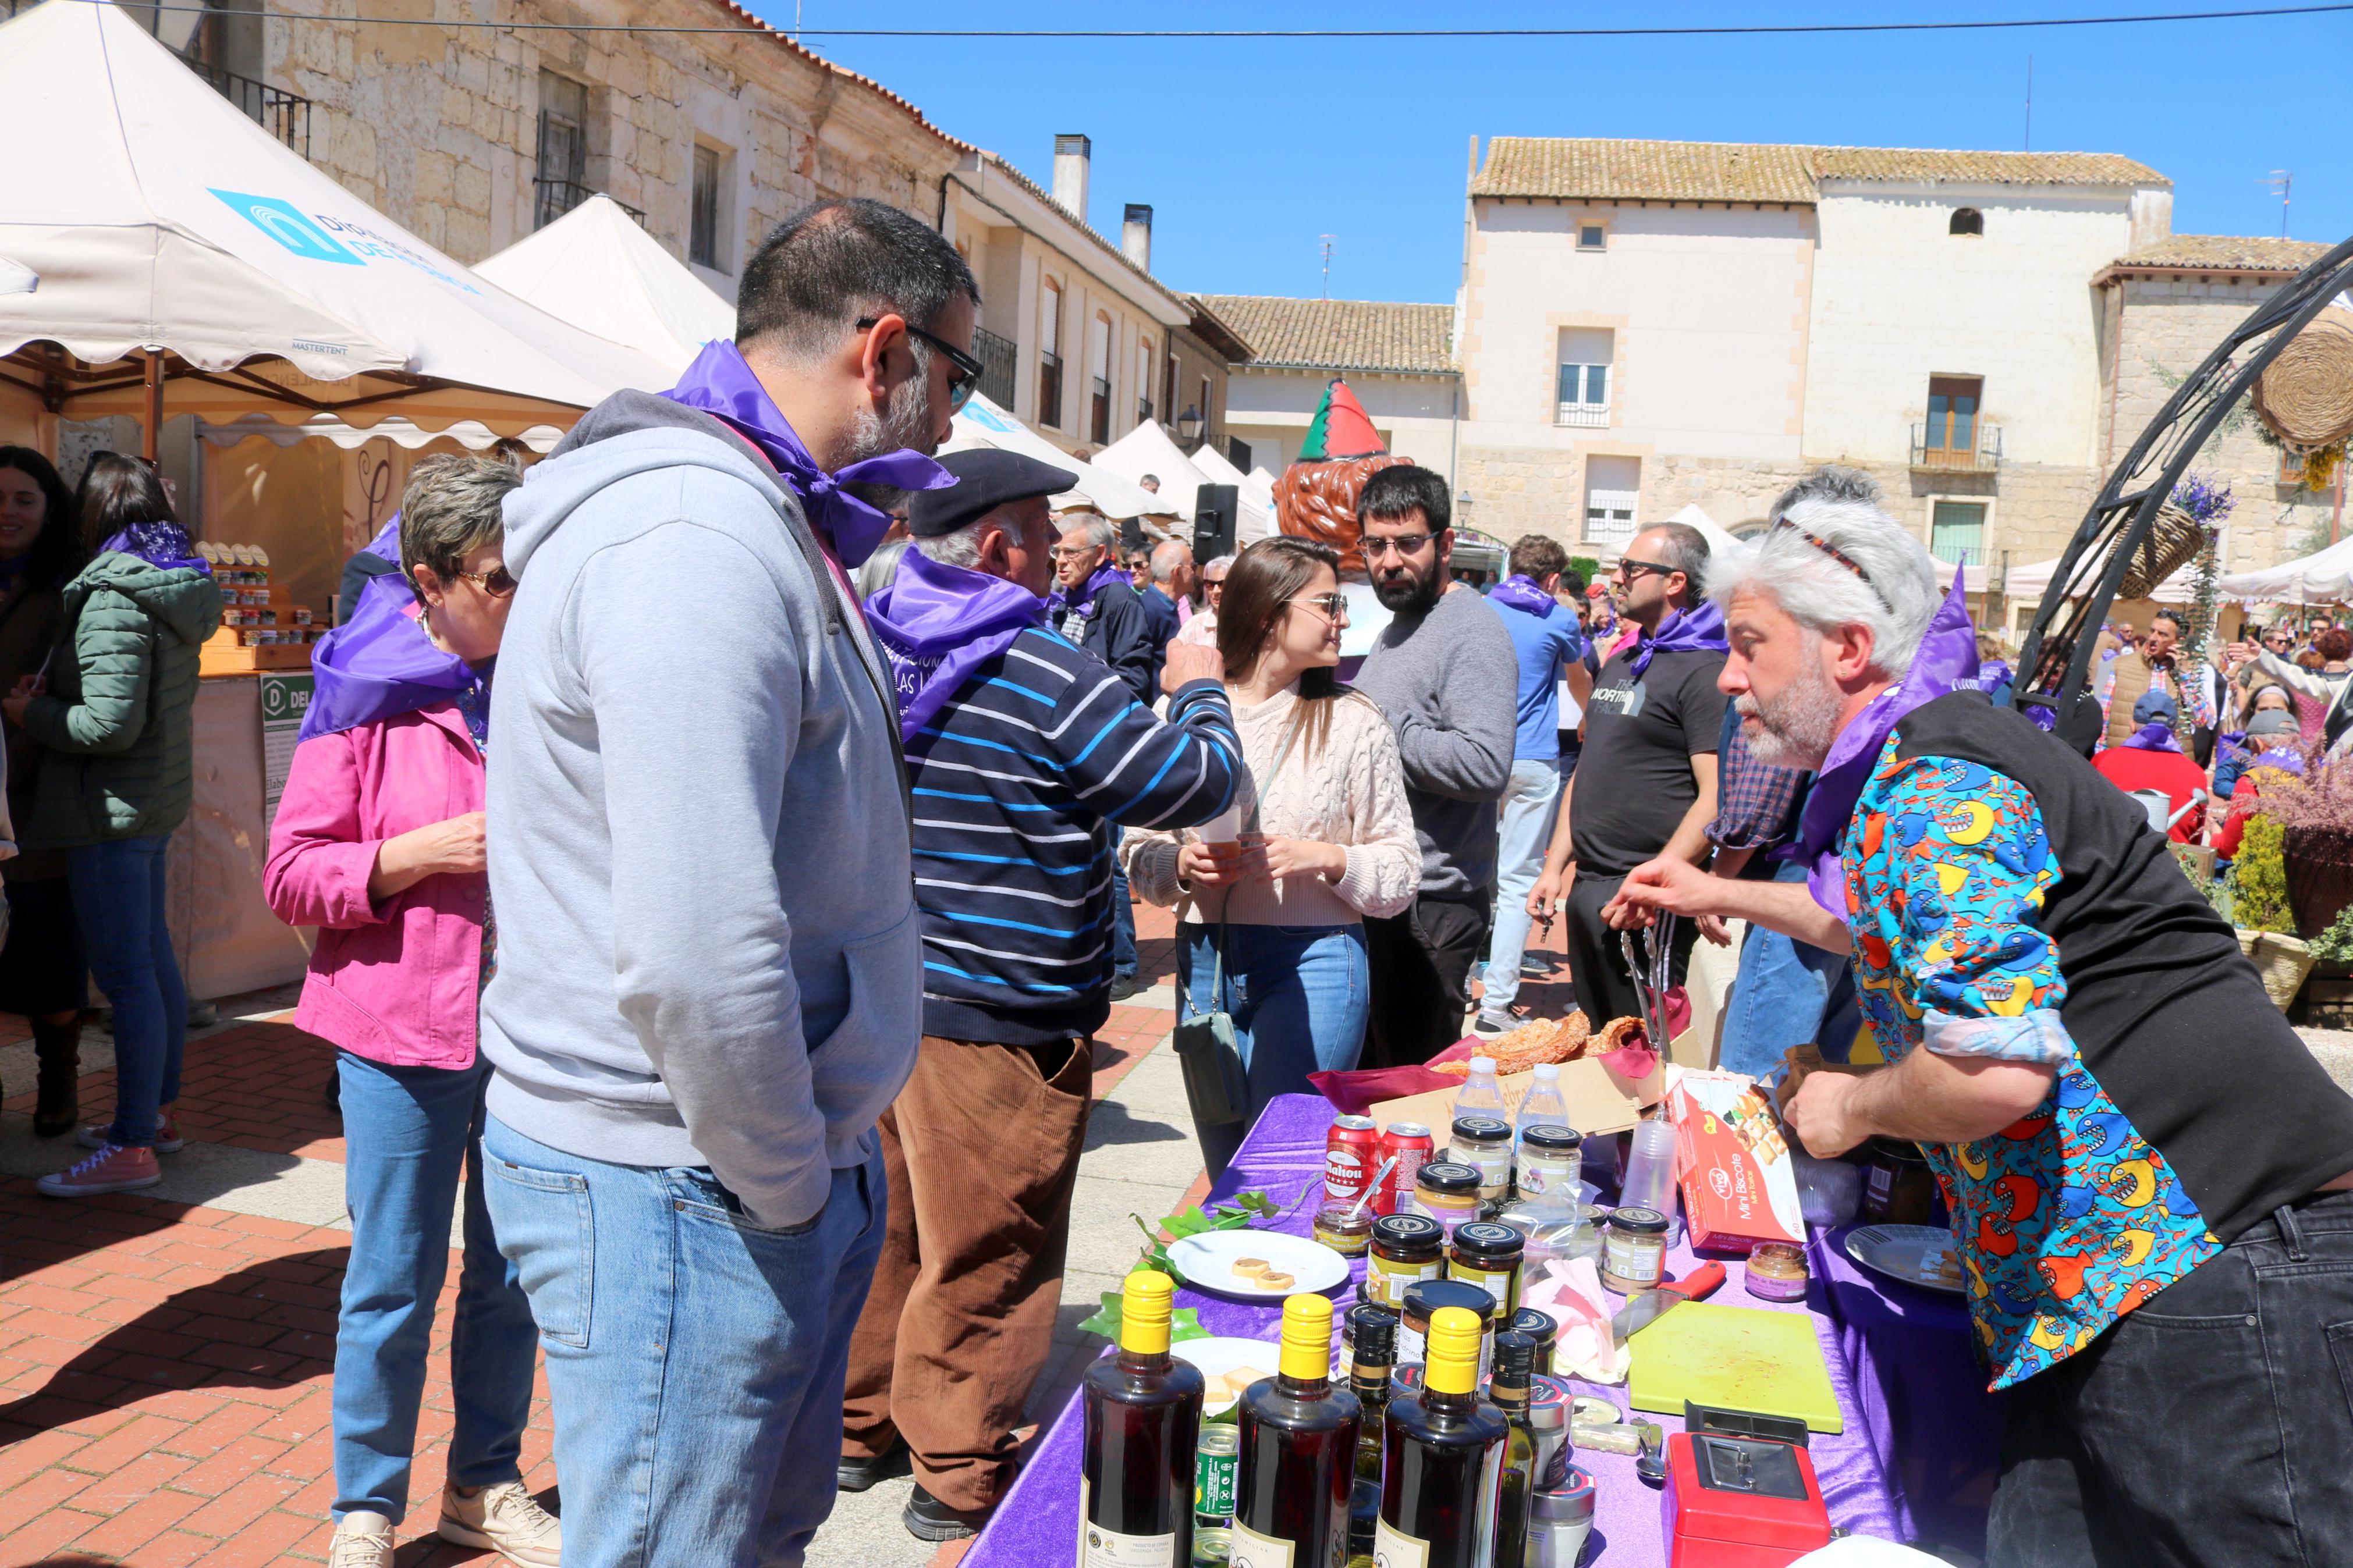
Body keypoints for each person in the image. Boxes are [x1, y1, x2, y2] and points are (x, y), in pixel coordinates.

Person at [1605, 492, 2353, 1565]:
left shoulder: (1938, 780)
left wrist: (1847, 1106)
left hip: (2215, 1263)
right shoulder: (1934, 762)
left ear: (1849, 650)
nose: (1728, 678)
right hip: (2106, 1283)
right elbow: (1890, 928)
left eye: (1748, 648)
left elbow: (1994, 1068)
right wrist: (1711, 892)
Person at [475, 197, 973, 1568]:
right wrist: (787, 1180)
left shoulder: (756, 517)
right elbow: (696, 947)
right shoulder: (694, 539)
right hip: (687, 1176)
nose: (951, 425)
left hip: (732, 1167)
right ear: (883, 353)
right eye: (959, 377)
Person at [847, 449, 1242, 1538]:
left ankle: (856, 1425)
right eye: (1040, 532)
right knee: (993, 1244)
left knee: (889, 1229)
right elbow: (1191, 784)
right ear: (994, 547)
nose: (1057, 552)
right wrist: (1198, 689)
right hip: (1000, 1008)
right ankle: (957, 1467)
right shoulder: (1033, 663)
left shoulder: (872, 644)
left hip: (885, 992)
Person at [262, 457, 556, 1568]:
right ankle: (365, 1505)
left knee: (514, 1275)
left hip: (532, 1030)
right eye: (497, 577)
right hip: (396, 1032)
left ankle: (483, 1483)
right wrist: (401, 858)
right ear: (430, 581)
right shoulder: (360, 693)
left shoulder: (544, 679)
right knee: (392, 1278)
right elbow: (292, 874)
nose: (520, 597)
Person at [1127, 536, 1419, 1172]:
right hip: (1206, 957)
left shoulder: (1354, 720)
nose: (1344, 618)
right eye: (1329, 603)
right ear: (1267, 612)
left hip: (1315, 957)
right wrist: (1177, 866)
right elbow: (1135, 845)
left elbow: (1400, 871)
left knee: (1279, 1165)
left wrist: (1326, 858)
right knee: (1225, 1165)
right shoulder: (1181, 709)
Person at [9, 455, 221, 1197]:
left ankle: (134, 1142)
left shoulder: (110, 593)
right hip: (147, 802)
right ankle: (152, 1118)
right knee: (151, 961)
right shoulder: (170, 578)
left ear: (93, 515)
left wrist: (27, 712)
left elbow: (106, 723)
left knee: (128, 976)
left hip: (109, 810)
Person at [1526, 522, 1726, 1033]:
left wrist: (1656, 879)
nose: (1616, 578)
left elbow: (1716, 797)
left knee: (1645, 1043)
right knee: (1600, 1037)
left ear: (1674, 582)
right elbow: (1590, 768)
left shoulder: (1706, 671)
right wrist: (1556, 864)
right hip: (1591, 885)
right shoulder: (1625, 659)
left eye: (1631, 569)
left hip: (1644, 900)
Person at [1348, 465, 1516, 1066]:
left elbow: (1484, 764)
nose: (1390, 561)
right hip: (1383, 893)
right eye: (1375, 545)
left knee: (1408, 1094)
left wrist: (1379, 726)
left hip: (1431, 906)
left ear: (1444, 544)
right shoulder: (1400, 624)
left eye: (1407, 543)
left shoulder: (1471, 631)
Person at [0, 448, 90, 1135]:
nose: (8, 512)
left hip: (37, 803)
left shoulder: (69, 589)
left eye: (24, 499)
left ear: (49, 507)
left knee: (46, 952)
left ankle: (59, 1079)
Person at [1472, 535, 1589, 1034]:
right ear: (1554, 578)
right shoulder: (1559, 616)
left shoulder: (1479, 609)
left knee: (1469, 870)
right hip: (1535, 757)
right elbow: (1579, 677)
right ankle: (1495, 1007)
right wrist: (1588, 719)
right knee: (1520, 878)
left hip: (1477, 755)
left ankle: (1455, 982)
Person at [1049, 513, 1156, 702]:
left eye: (1071, 552)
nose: (1060, 561)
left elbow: (1131, 676)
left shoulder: (1120, 599)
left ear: (1099, 554)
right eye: (1057, 551)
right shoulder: (1067, 597)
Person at [2091, 690, 2209, 843]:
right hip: (2174, 862)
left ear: (2132, 726)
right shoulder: (2196, 774)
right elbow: (2195, 839)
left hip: (2109, 856)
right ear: (2176, 731)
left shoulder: (2102, 761)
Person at [1174, 552, 1232, 649]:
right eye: (1210, 584)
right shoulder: (1194, 626)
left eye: (1223, 584)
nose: (1216, 591)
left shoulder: (1250, 627)